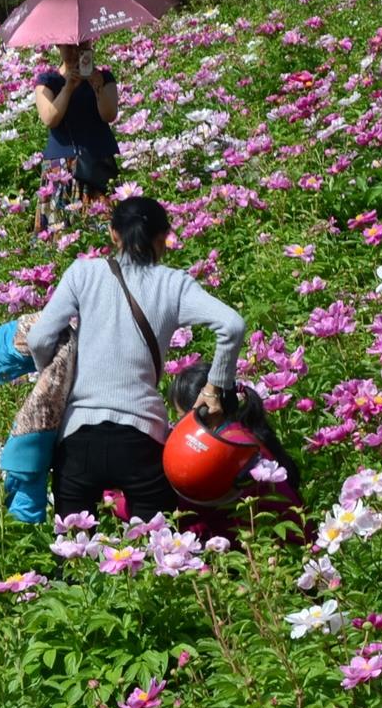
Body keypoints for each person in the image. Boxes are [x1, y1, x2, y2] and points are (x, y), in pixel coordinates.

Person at [25, 197, 246, 523]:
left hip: (78, 438)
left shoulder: (83, 274)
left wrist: (55, 378)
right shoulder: (173, 284)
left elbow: (38, 338)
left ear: (113, 233)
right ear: (164, 237)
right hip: (142, 439)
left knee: (72, 547)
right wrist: (215, 388)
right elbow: (232, 325)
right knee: (152, 546)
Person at [166, 367, 306, 547]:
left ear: (203, 411)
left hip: (277, 547)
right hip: (287, 540)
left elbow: (196, 515)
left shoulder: (223, 449)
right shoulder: (238, 432)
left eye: (181, 417)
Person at [32, 42, 121, 227]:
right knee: (59, 229)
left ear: (90, 45)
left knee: (103, 226)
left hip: (97, 162)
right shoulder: (47, 81)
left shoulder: (104, 78)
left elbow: (109, 115)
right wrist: (68, 88)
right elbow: (50, 118)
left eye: (81, 46)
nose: (75, 51)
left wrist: (98, 88)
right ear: (58, 46)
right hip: (61, 166)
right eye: (69, 46)